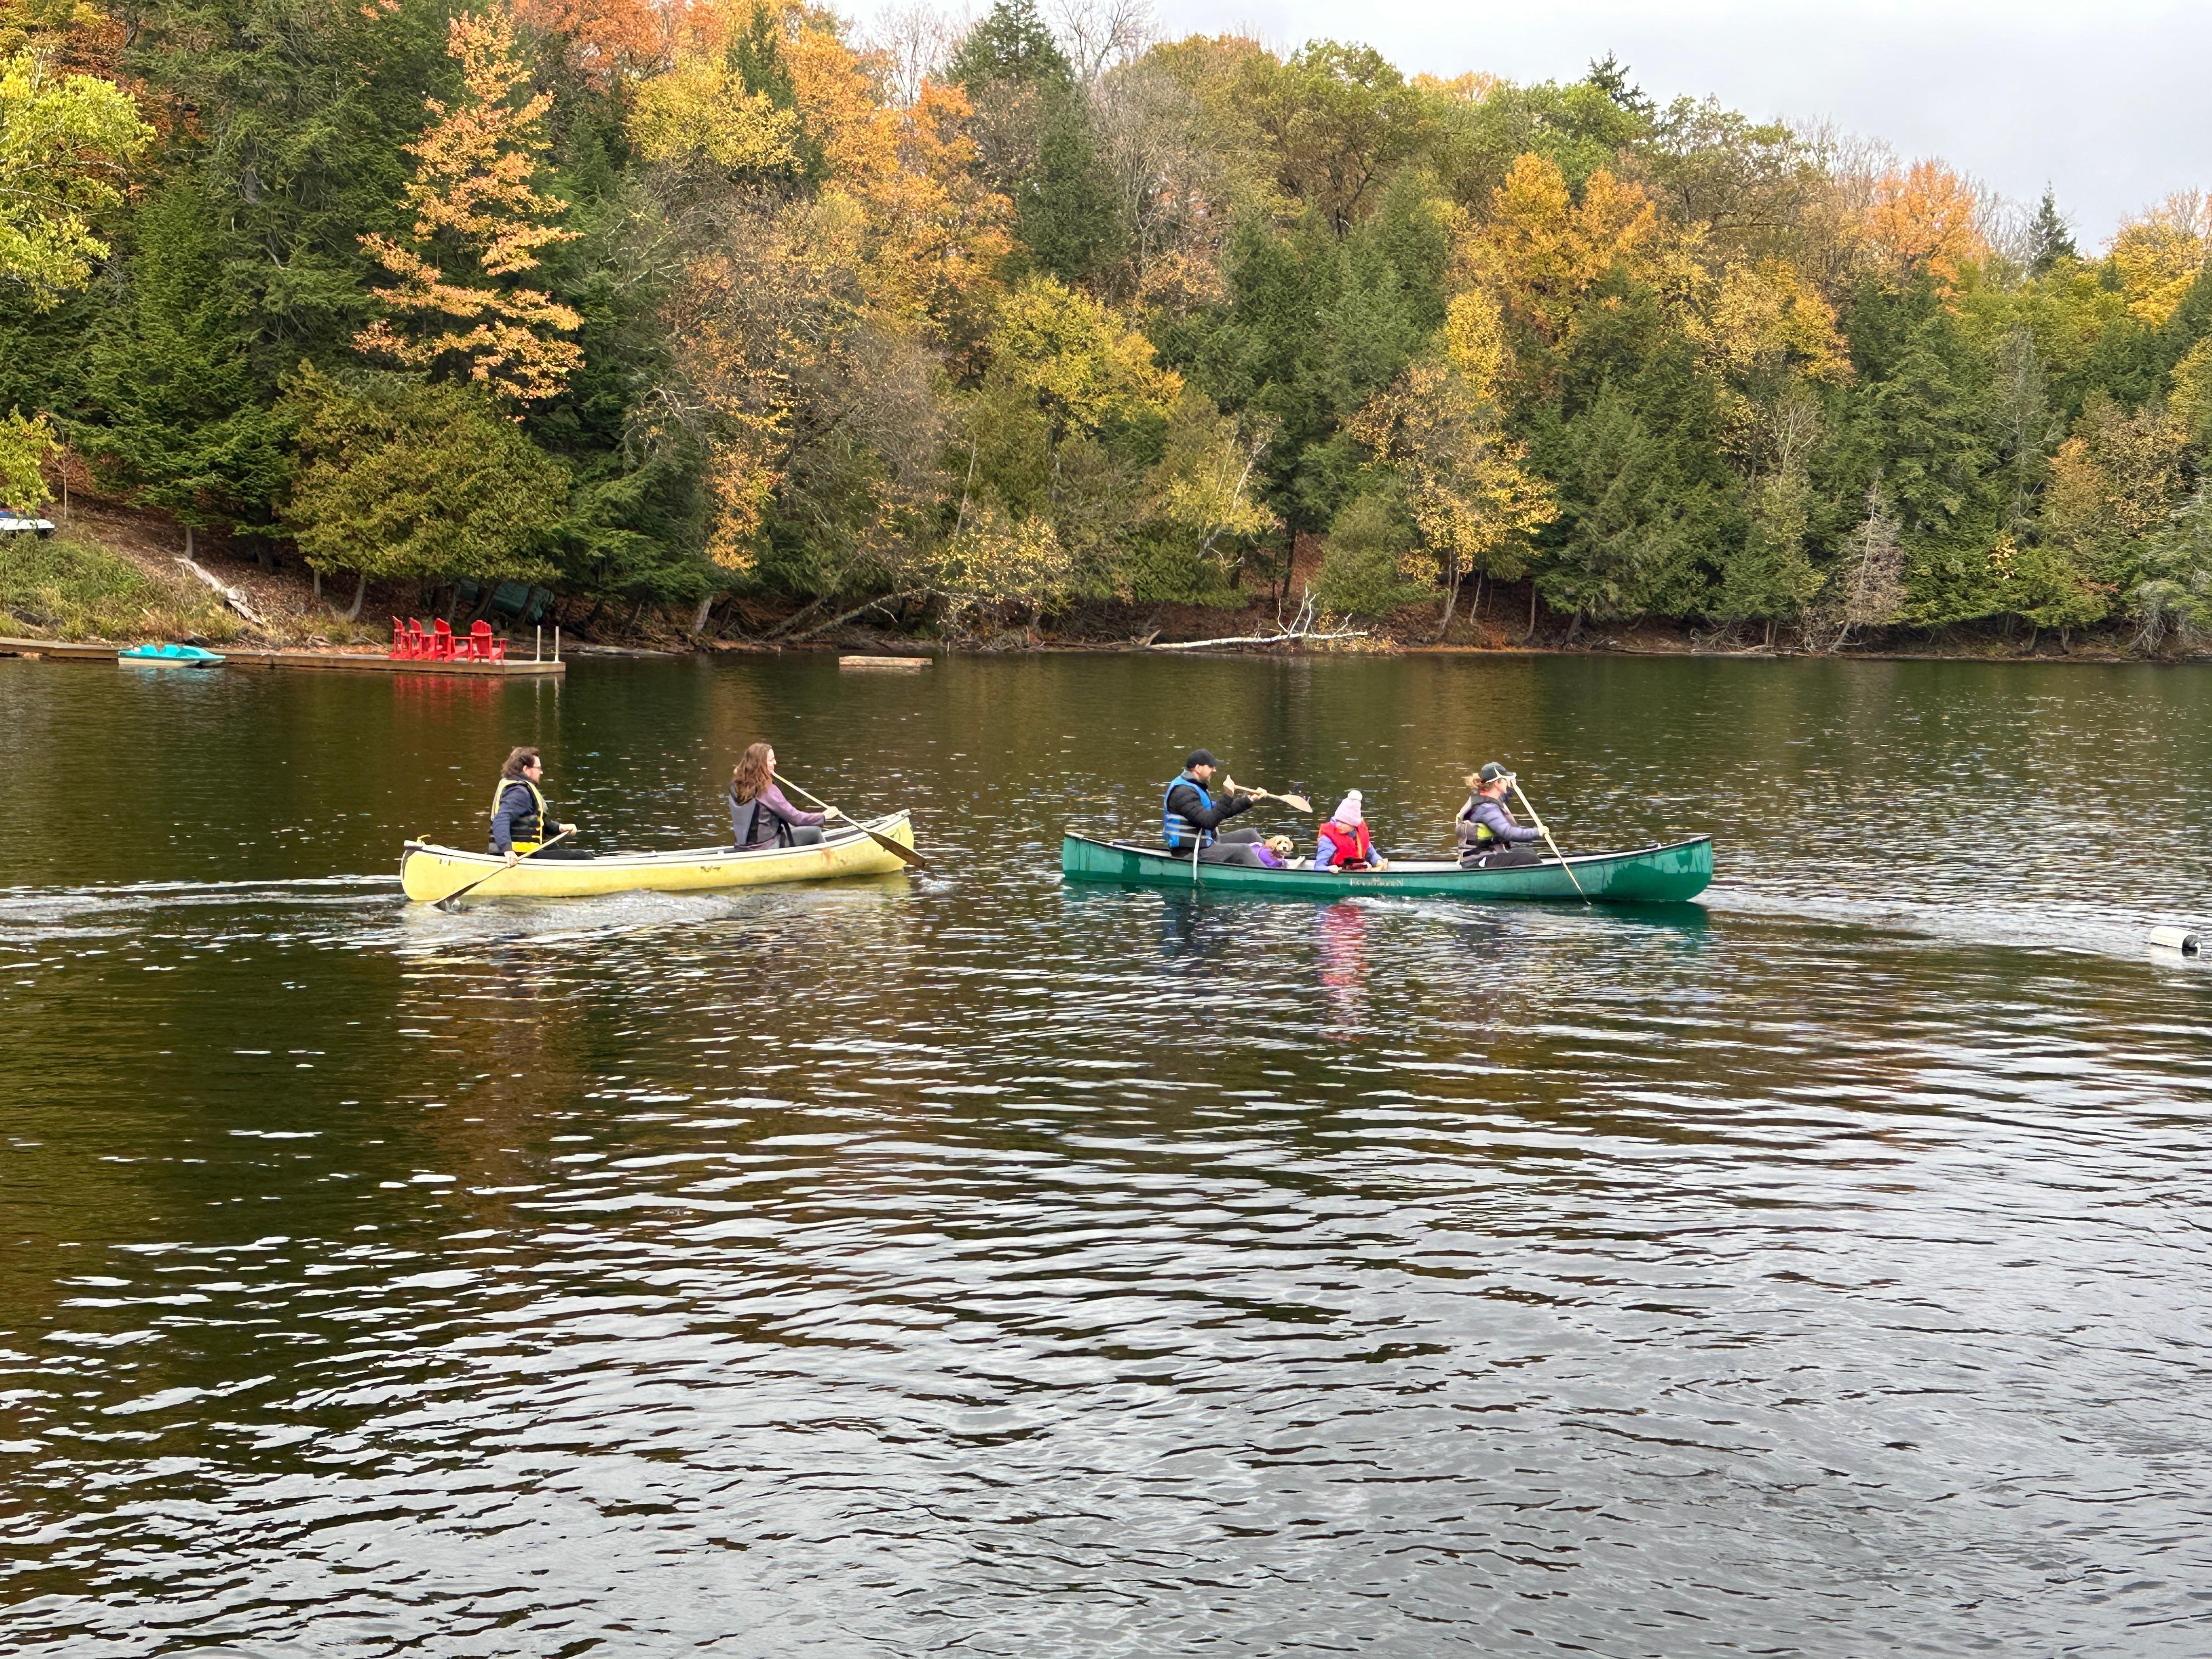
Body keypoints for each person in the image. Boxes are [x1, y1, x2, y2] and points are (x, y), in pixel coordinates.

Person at [1161, 749, 1269, 866]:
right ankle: (1270, 877)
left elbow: (1220, 810)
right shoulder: (1183, 792)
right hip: (1190, 852)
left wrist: (1249, 800)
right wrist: (1228, 795)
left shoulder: (1195, 787)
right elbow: (1209, 822)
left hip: (1206, 843)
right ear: (1198, 768)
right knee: (1243, 850)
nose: (1215, 770)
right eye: (1211, 766)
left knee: (1250, 835)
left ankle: (1275, 860)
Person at [729, 742, 837, 849]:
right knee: (814, 832)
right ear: (760, 765)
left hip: (741, 847)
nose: (775, 762)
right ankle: (832, 861)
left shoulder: (735, 786)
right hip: (764, 847)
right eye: (771, 760)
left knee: (790, 827)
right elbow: (796, 818)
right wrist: (824, 816)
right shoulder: (767, 791)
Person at [489, 747, 589, 863]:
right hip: (518, 856)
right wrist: (508, 851)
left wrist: (561, 828)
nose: (541, 772)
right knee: (582, 857)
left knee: (553, 847)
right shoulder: (519, 792)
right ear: (526, 769)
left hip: (525, 853)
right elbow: (501, 820)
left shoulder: (521, 789)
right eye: (539, 768)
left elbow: (541, 824)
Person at [1455, 763, 1546, 868]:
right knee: (1531, 859)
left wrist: (1512, 785)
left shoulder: (1490, 797)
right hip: (1477, 860)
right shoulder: (1486, 808)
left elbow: (1505, 796)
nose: (1508, 782)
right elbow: (1508, 833)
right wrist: (1537, 832)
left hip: (1489, 853)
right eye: (1505, 780)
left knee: (1528, 851)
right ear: (1497, 783)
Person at [1314, 791, 1387, 872]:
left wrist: (1378, 861)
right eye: (1337, 821)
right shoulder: (1328, 840)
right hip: (1339, 870)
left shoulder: (1359, 835)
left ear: (1353, 825)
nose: (1338, 825)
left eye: (1343, 823)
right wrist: (1328, 869)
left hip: (1357, 869)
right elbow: (1318, 866)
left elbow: (1372, 854)